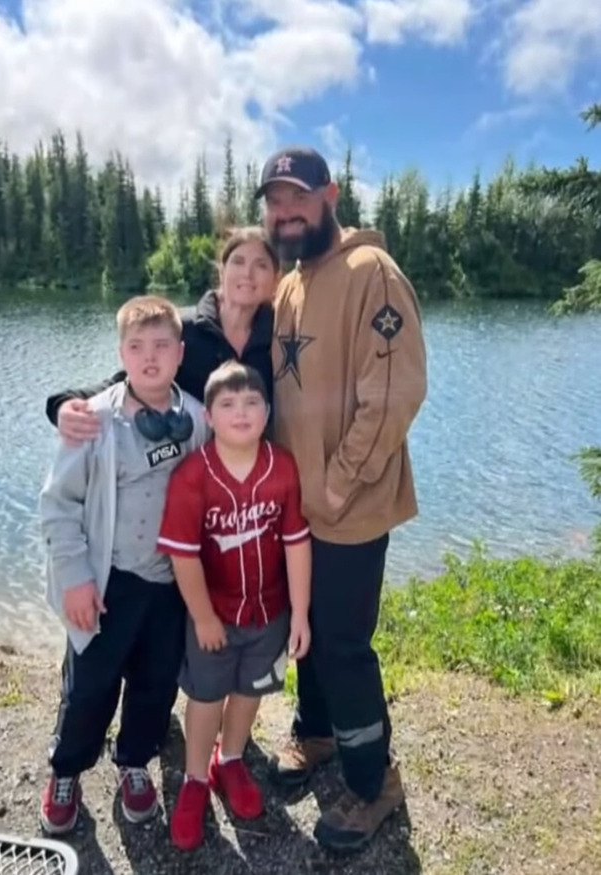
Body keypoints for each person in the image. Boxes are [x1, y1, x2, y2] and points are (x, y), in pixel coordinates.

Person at [255, 146, 428, 852]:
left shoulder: (370, 273)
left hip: (349, 505)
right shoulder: (293, 281)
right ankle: (317, 733)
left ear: (330, 195)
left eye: (297, 197)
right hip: (300, 507)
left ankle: (371, 781)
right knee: (307, 626)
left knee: (344, 644)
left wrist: (336, 480)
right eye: (274, 201)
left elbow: (394, 395)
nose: (285, 212)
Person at [38, 295, 209, 835]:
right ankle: (67, 770)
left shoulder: (200, 421)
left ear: (181, 354)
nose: (150, 358)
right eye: (137, 347)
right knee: (89, 685)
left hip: (170, 587)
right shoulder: (94, 421)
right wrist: (75, 580)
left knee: (157, 684)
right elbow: (58, 504)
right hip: (108, 583)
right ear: (121, 353)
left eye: (162, 346)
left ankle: (134, 763)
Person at [156, 361, 312, 851]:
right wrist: (202, 616)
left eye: (251, 403)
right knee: (205, 699)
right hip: (214, 616)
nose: (240, 412)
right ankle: (196, 779)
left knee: (249, 693)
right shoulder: (193, 475)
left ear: (268, 411)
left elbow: (296, 544)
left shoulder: (282, 466)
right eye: (227, 404)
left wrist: (301, 614)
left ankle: (232, 760)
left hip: (270, 614)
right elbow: (182, 556)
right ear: (210, 415)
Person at [44, 227, 279, 440]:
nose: (247, 274)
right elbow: (129, 381)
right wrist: (64, 404)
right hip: (187, 470)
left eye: (261, 265)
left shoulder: (281, 337)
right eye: (238, 262)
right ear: (222, 270)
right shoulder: (184, 327)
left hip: (252, 473)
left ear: (275, 278)